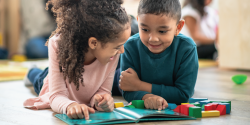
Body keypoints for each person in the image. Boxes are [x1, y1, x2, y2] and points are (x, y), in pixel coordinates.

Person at [23, 0, 131, 120]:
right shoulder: (57, 44)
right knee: (40, 79)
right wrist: (70, 106)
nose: (122, 51)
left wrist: (102, 100)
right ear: (94, 43)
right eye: (117, 47)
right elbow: (56, 95)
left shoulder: (112, 54)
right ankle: (31, 71)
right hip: (57, 88)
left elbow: (103, 90)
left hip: (81, 87)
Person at [119, 0, 199, 111]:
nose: (153, 39)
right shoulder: (130, 46)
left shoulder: (187, 48)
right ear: (138, 22)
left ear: (178, 27)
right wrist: (148, 97)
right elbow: (127, 88)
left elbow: (183, 95)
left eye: (162, 31)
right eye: (145, 29)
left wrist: (139, 85)